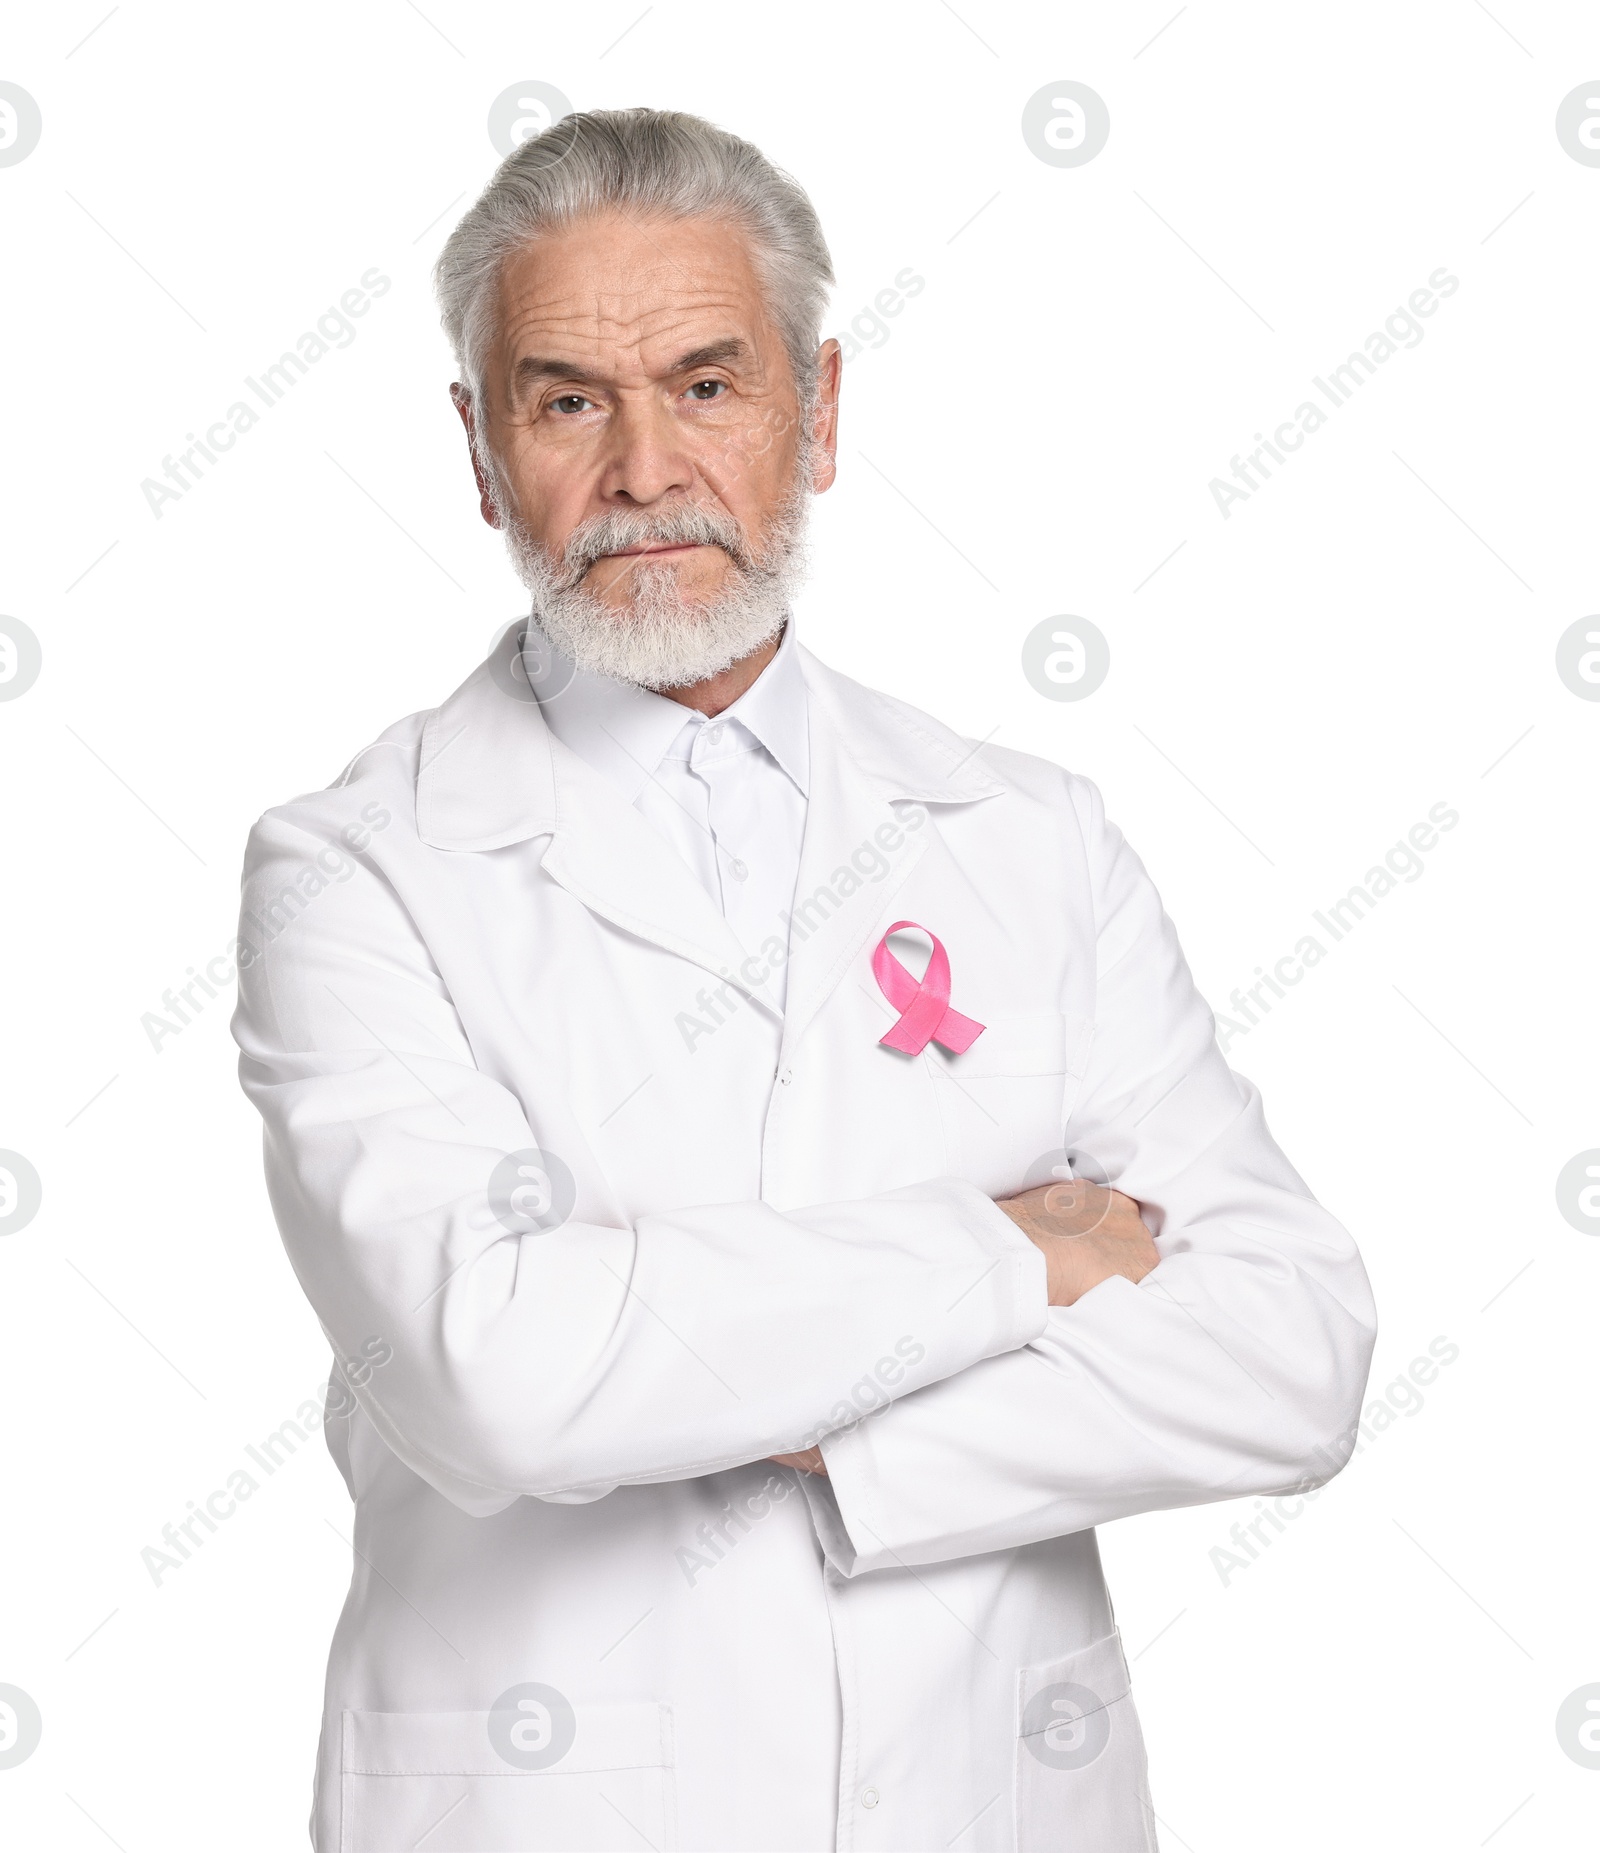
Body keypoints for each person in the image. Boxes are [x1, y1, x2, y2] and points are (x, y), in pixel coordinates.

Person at [232, 106, 1376, 1853]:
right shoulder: (357, 868)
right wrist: (1019, 1245)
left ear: (819, 412)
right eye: (565, 400)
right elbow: (499, 1368)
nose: (642, 470)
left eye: (706, 382)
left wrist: (834, 1445)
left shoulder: (1027, 835)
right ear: (478, 451)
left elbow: (1293, 1351)